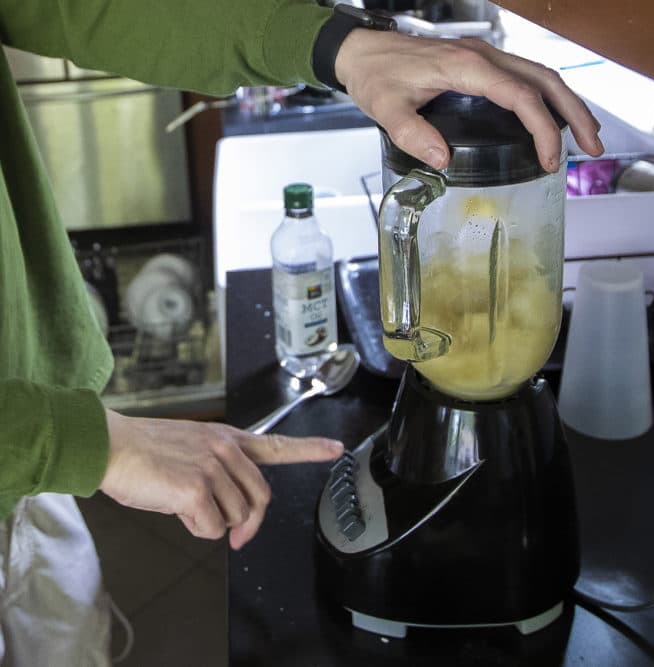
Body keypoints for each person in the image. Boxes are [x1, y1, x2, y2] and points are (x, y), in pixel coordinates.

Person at [0, 0, 603, 663]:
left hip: (26, 452)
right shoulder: (67, 442)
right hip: (34, 443)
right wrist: (85, 445)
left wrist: (338, 47)